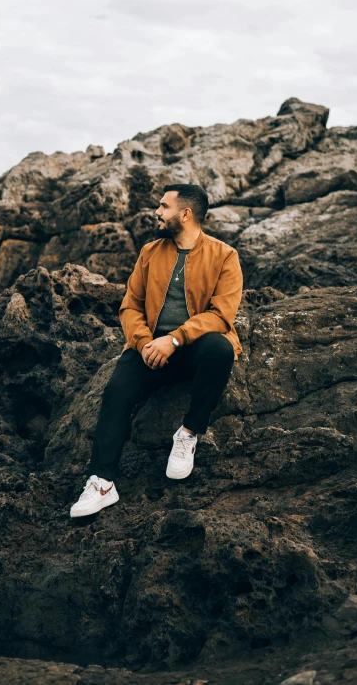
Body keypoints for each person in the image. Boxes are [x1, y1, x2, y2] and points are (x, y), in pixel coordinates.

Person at [70, 183, 243, 518]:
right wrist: (144, 342)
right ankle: (102, 483)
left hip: (191, 349)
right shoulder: (150, 252)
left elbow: (222, 315)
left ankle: (189, 433)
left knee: (220, 349)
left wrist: (175, 339)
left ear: (185, 213)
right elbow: (130, 306)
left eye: (164, 207)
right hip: (149, 348)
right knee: (117, 392)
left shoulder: (224, 256)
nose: (158, 213)